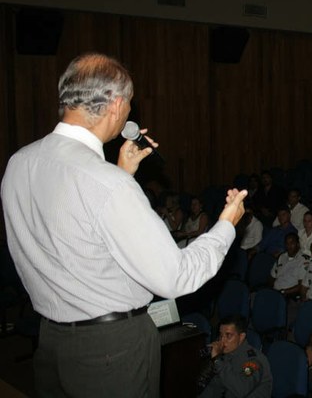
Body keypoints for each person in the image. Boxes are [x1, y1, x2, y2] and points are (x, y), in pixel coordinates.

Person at [1, 53, 248, 397]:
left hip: (52, 340)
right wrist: (226, 225)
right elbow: (176, 277)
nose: (131, 112)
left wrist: (119, 174)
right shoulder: (107, 184)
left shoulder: (19, 162)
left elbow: (72, 231)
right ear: (116, 106)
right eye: (130, 104)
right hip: (109, 350)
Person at [199, 315, 272, 398]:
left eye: (228, 335)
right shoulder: (227, 354)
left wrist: (217, 360)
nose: (222, 340)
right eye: (221, 335)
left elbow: (240, 390)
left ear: (241, 337)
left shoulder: (254, 361)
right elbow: (215, 386)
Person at [270, 233, 310, 298]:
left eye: (292, 243)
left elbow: (301, 285)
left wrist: (283, 291)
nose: (289, 246)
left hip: (289, 295)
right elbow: (272, 277)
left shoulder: (304, 260)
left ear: (298, 244)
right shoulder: (281, 257)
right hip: (275, 292)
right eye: (287, 243)